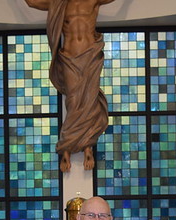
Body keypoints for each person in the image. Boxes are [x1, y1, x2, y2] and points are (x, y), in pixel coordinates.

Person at [24, 0, 115, 172]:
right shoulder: (58, 3)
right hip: (70, 56)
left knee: (90, 99)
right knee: (73, 101)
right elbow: (32, 3)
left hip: (90, 55)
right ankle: (66, 147)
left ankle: (87, 146)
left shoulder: (92, 1)